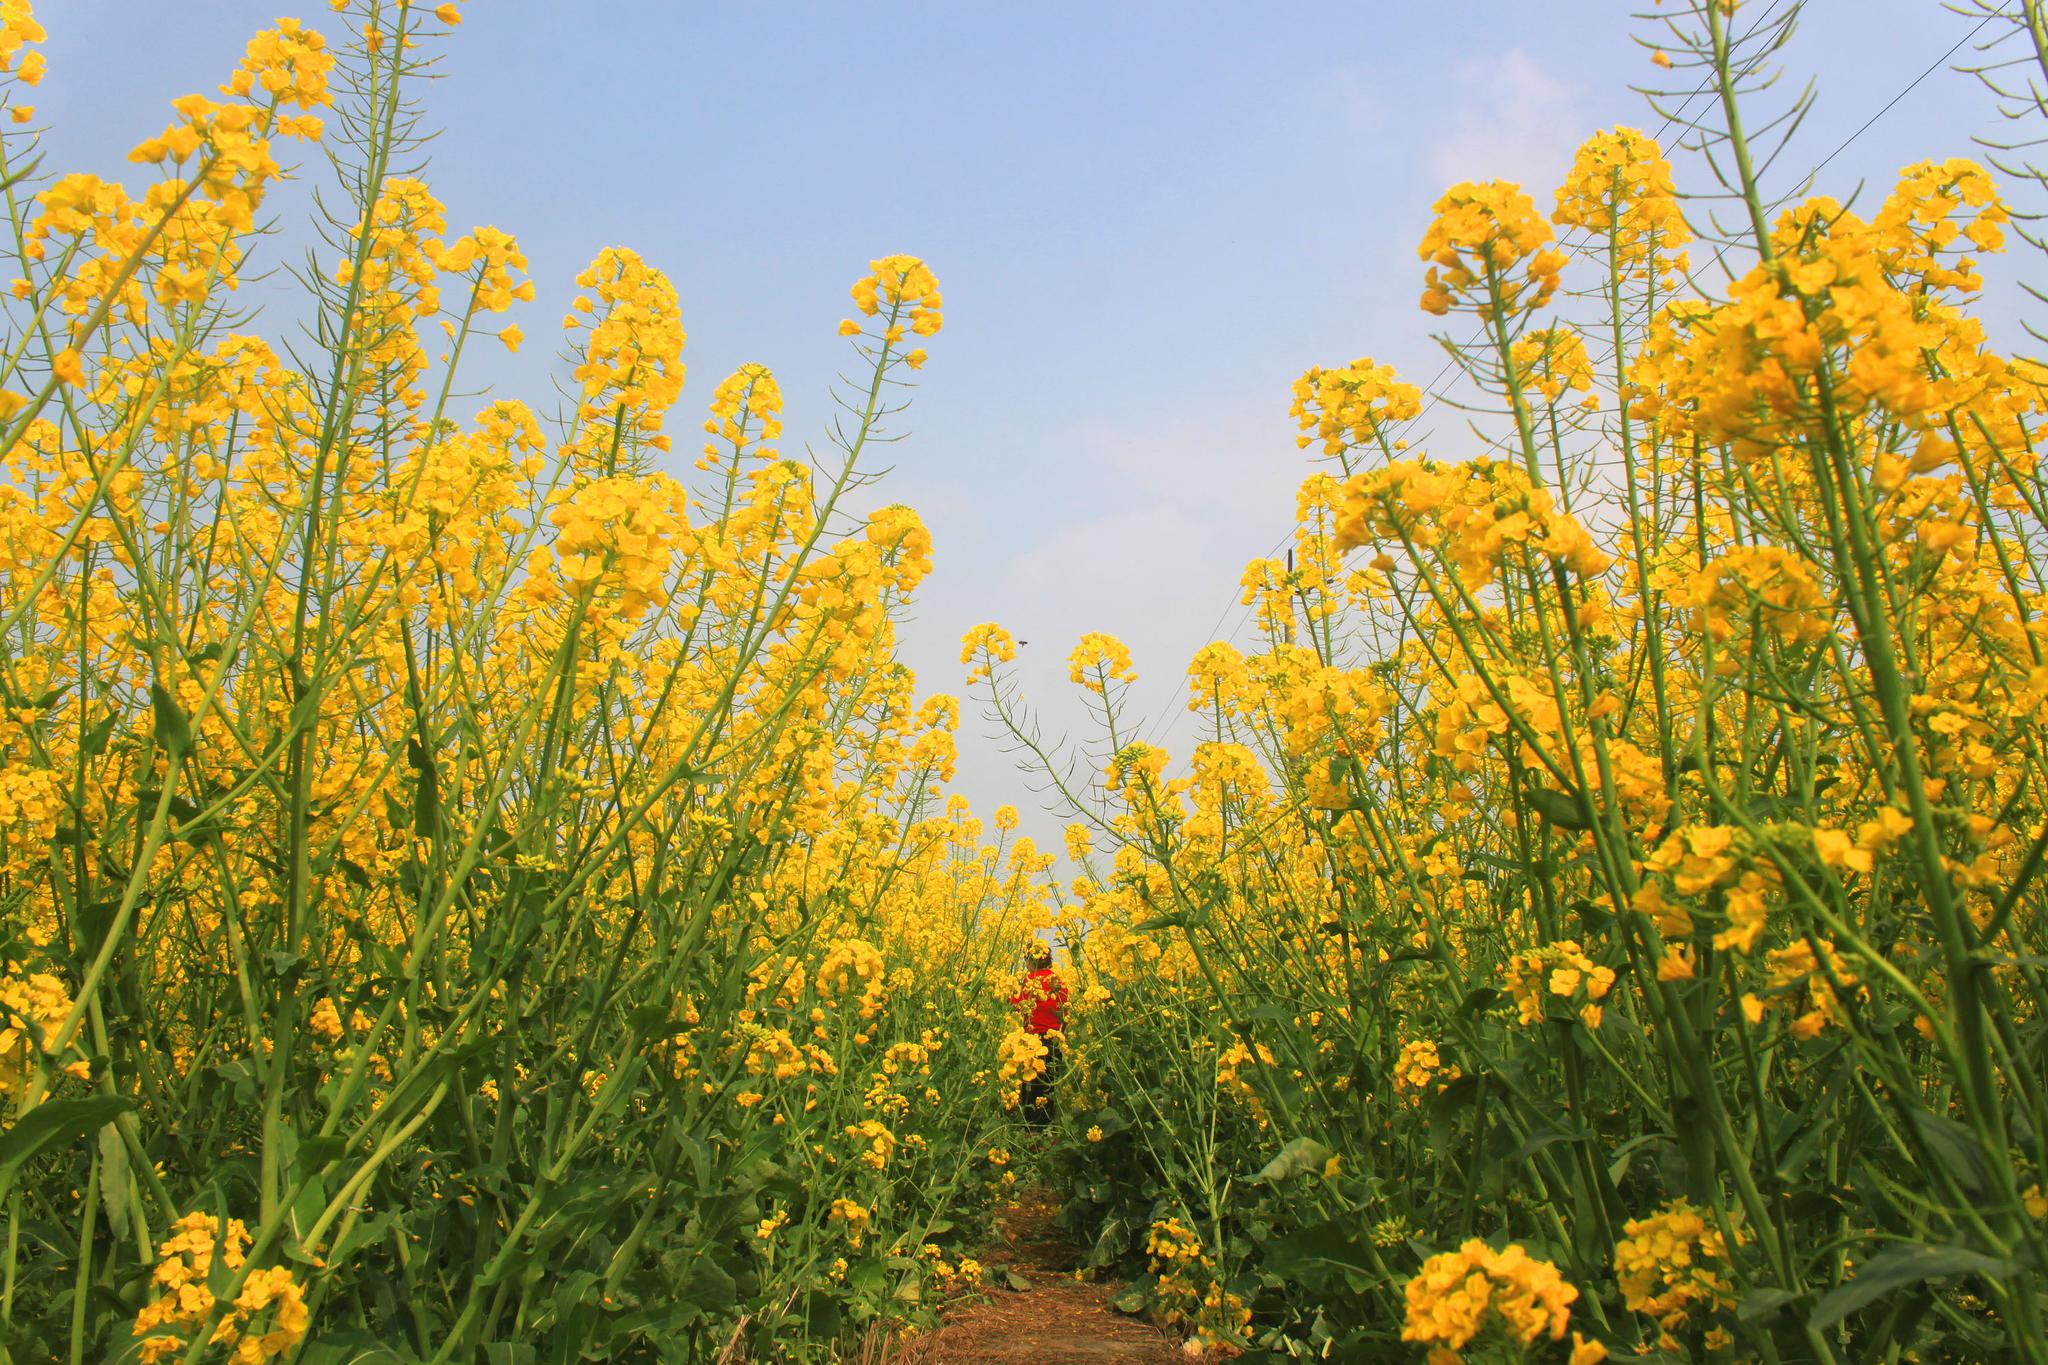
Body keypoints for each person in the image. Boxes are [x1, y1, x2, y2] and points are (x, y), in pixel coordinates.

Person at [1010, 946, 1067, 1127]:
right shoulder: (1059, 981)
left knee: (1031, 1086)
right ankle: (1046, 1130)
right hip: (1054, 1040)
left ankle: (1030, 1130)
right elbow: (1066, 1010)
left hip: (1033, 1041)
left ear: (1030, 961)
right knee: (1048, 1085)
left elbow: (1016, 1004)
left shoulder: (1030, 980)